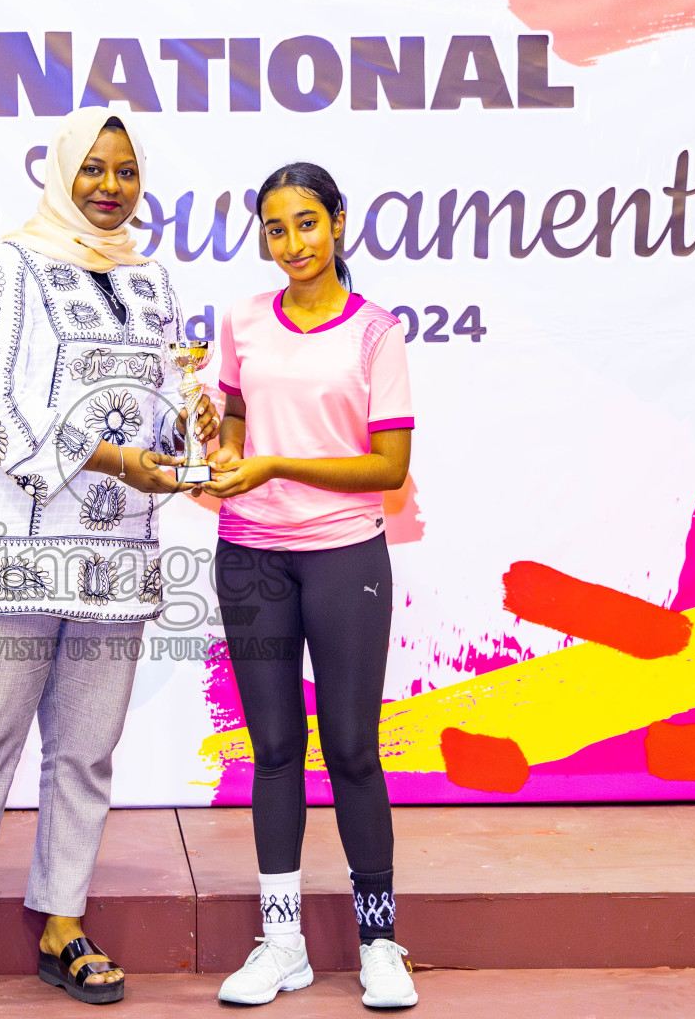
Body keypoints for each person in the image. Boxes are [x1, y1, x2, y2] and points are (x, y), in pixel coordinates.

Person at [0, 105, 219, 1012]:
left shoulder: (154, 280)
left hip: (116, 553)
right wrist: (104, 456)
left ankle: (61, 924)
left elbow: (162, 397)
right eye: (94, 168)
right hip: (12, 548)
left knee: (85, 752)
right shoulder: (6, 265)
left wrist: (188, 427)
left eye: (124, 171)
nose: (110, 187)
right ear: (61, 170)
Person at [202, 162, 418, 1010]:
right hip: (250, 557)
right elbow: (230, 423)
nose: (290, 244)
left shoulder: (376, 333)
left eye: (306, 224)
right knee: (276, 752)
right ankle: (281, 941)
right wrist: (219, 462)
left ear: (338, 224)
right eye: (274, 228)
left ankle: (379, 940)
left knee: (355, 753)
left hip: (343, 557)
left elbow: (390, 468)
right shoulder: (243, 321)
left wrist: (277, 464)